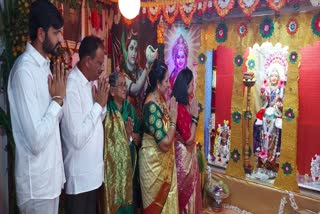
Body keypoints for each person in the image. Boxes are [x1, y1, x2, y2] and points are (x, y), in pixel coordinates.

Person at [7, 1, 65, 213]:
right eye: (56, 32)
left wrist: (58, 102)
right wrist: (57, 101)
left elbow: (53, 122)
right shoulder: (24, 72)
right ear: (41, 34)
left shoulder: (44, 67)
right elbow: (35, 140)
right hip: (36, 187)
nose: (60, 38)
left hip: (49, 181)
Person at [60, 35, 109, 214]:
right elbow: (77, 138)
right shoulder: (72, 87)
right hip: (79, 179)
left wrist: (100, 106)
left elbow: (97, 121)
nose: (102, 67)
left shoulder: (90, 83)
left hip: (93, 175)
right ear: (87, 61)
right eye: (99, 62)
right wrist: (98, 106)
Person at [139, 59, 179, 213]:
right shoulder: (151, 107)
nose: (169, 84)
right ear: (157, 82)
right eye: (166, 80)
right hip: (153, 167)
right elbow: (164, 144)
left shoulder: (161, 99)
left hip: (163, 165)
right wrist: (174, 121)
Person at [103, 71, 141, 213]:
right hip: (112, 170)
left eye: (126, 85)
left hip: (129, 167)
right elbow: (105, 141)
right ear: (112, 91)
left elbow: (138, 138)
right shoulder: (106, 111)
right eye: (121, 85)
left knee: (128, 204)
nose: (125, 88)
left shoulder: (130, 109)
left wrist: (131, 136)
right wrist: (122, 135)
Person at [171, 68, 202, 213]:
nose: (193, 87)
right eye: (191, 84)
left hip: (188, 155)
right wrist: (195, 117)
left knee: (192, 191)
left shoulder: (186, 103)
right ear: (184, 87)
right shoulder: (179, 107)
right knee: (185, 194)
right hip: (183, 157)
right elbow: (189, 139)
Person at [120, 29, 156, 119]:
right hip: (127, 119)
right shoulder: (122, 74)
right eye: (131, 48)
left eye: (136, 50)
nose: (134, 53)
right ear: (126, 51)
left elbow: (146, 92)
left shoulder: (139, 71)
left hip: (140, 117)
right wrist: (147, 65)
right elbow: (135, 90)